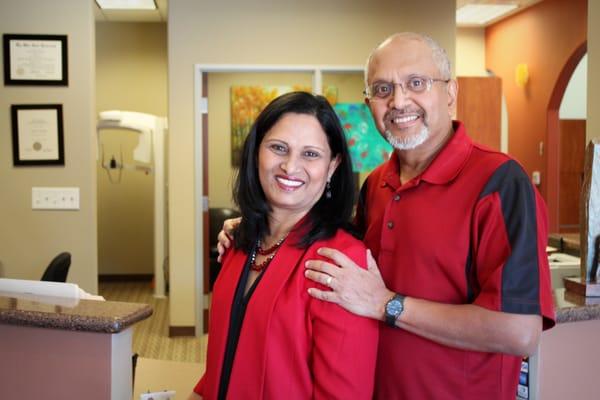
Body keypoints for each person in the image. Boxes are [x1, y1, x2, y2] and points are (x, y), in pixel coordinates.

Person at [218, 33, 556, 400]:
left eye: (416, 83)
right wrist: (254, 230)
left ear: (450, 92)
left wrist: (386, 304)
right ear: (369, 104)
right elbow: (326, 242)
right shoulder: (377, 184)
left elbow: (520, 332)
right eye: (382, 89)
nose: (398, 101)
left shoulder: (501, 181)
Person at [189, 91, 378, 400]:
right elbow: (228, 352)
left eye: (311, 154)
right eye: (278, 148)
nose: (290, 167)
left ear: (332, 166)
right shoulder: (238, 243)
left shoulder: (341, 261)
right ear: (255, 153)